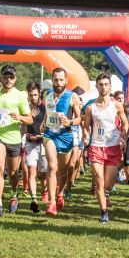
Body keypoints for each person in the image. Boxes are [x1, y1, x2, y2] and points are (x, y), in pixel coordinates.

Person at [83, 73, 128, 223]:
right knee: (100, 180)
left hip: (112, 147)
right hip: (96, 146)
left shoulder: (116, 105)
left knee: (108, 183)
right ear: (97, 86)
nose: (103, 87)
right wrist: (86, 137)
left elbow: (125, 122)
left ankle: (104, 191)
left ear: (110, 87)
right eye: (101, 84)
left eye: (106, 84)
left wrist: (123, 136)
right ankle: (104, 212)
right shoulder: (90, 108)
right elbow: (86, 127)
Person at [0, 65, 32, 216]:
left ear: (15, 79)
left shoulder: (20, 96)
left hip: (13, 137)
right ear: (1, 78)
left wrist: (19, 117)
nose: (8, 80)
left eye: (11, 77)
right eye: (5, 77)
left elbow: (30, 119)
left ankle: (14, 194)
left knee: (13, 172)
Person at [42, 67, 82, 216]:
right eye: (55, 80)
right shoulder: (47, 95)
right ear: (52, 80)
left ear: (66, 81)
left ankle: (60, 193)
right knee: (52, 166)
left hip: (65, 137)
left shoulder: (72, 97)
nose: (58, 83)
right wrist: (44, 122)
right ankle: (52, 203)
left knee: (63, 172)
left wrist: (69, 122)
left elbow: (79, 119)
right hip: (50, 135)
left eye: (61, 80)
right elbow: (48, 113)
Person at [23, 81, 48, 213]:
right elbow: (22, 126)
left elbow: (49, 125)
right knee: (31, 171)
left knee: (43, 173)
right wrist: (23, 138)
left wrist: (43, 134)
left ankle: (45, 190)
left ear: (39, 94)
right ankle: (34, 199)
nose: (33, 97)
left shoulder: (45, 108)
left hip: (43, 143)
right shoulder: (25, 108)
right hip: (30, 144)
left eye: (35, 95)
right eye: (30, 95)